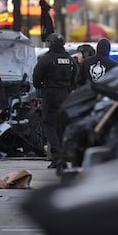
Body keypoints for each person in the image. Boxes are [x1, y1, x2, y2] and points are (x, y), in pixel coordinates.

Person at [33, 33, 77, 170]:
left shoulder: (47, 59)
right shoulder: (70, 60)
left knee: (49, 125)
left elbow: (36, 78)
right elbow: (75, 78)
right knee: (62, 126)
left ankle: (57, 157)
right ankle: (63, 156)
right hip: (65, 95)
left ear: (50, 43)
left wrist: (43, 87)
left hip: (50, 95)